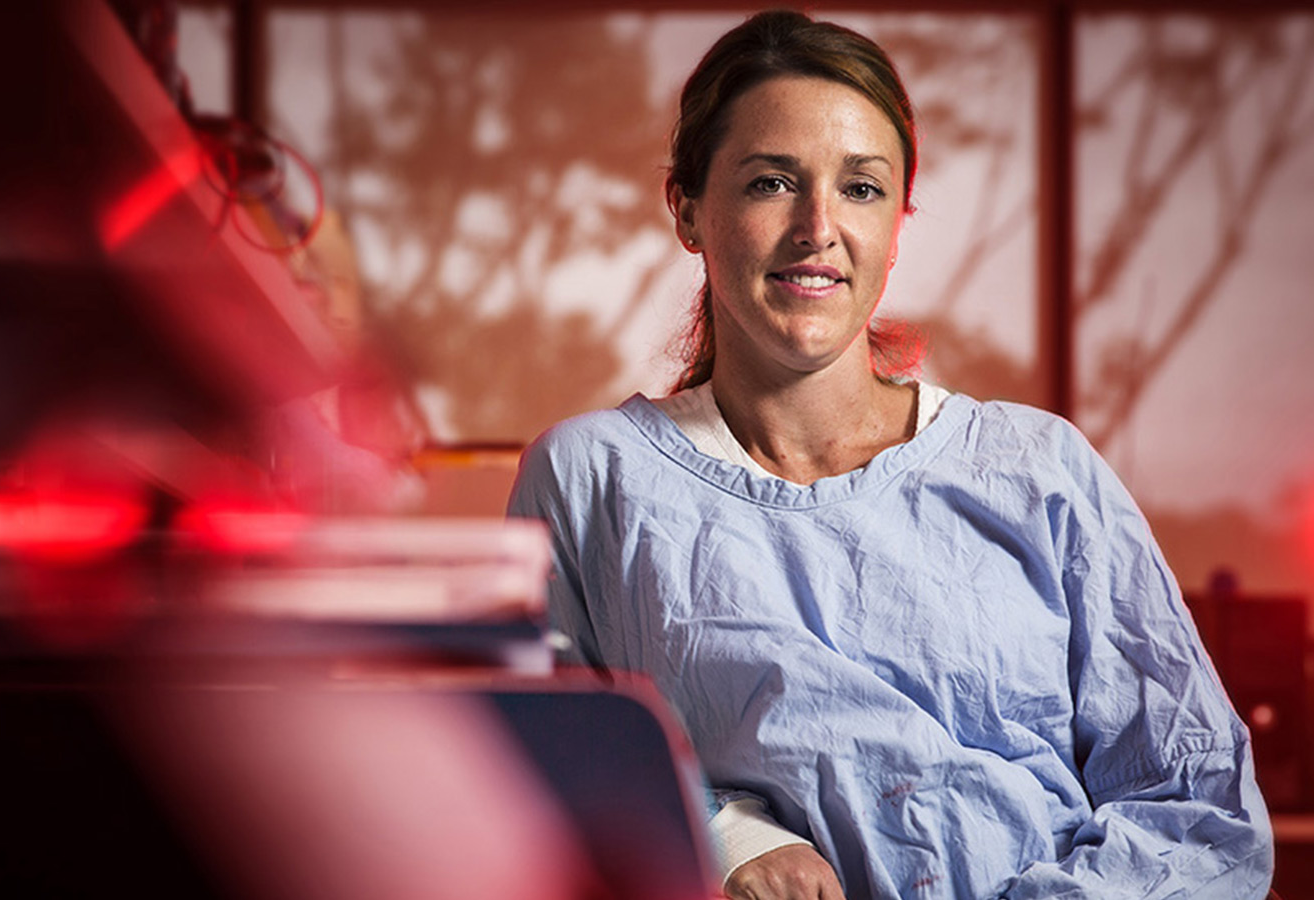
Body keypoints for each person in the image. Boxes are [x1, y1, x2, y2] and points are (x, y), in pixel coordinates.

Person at [508, 10, 1273, 900]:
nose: (818, 227)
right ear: (687, 208)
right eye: (769, 183)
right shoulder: (589, 480)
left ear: (899, 220)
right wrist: (726, 836)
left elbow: (1200, 809)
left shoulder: (1040, 470)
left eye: (862, 189)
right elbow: (535, 773)